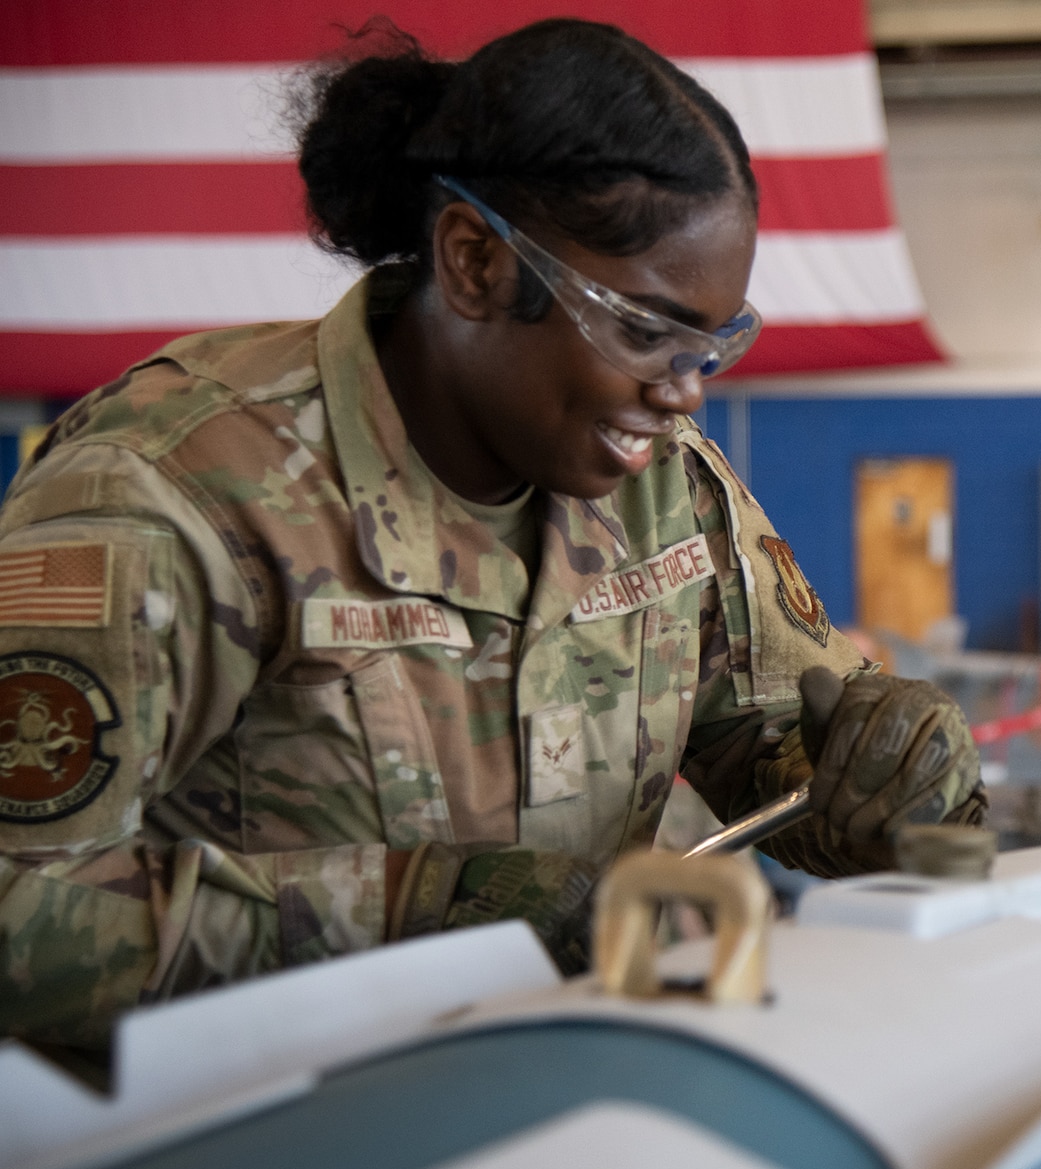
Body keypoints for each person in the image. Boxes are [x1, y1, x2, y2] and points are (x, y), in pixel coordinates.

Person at [0, 20, 982, 1070]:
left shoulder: (667, 489)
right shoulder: (177, 490)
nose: (684, 390)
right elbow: (20, 911)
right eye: (645, 331)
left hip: (560, 1117)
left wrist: (886, 780)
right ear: (472, 263)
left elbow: (782, 760)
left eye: (712, 343)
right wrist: (414, 915)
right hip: (239, 1161)